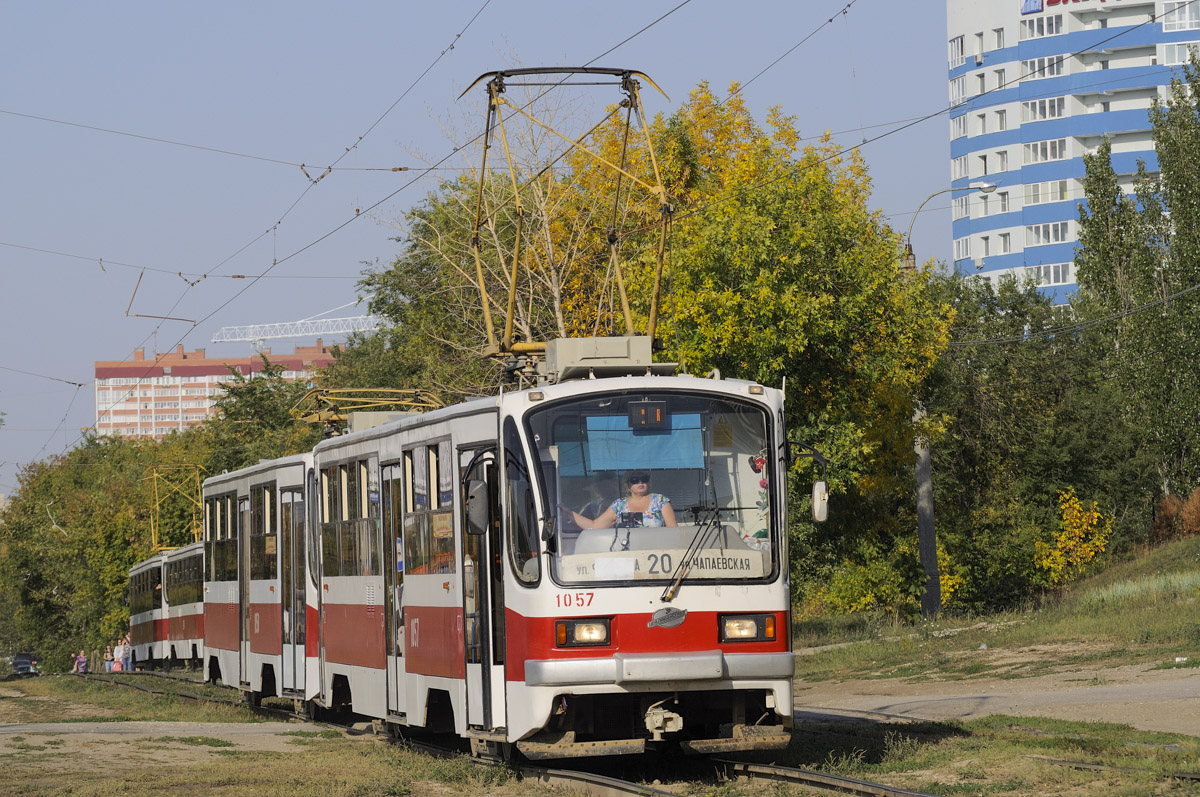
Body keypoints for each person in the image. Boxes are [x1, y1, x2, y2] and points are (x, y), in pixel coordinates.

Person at [564, 473, 676, 528]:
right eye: (635, 480)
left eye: (644, 479)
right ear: (627, 485)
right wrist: (568, 513)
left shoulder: (660, 501)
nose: (640, 483)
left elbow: (673, 531)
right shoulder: (619, 505)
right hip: (626, 556)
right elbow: (594, 526)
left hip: (656, 553)